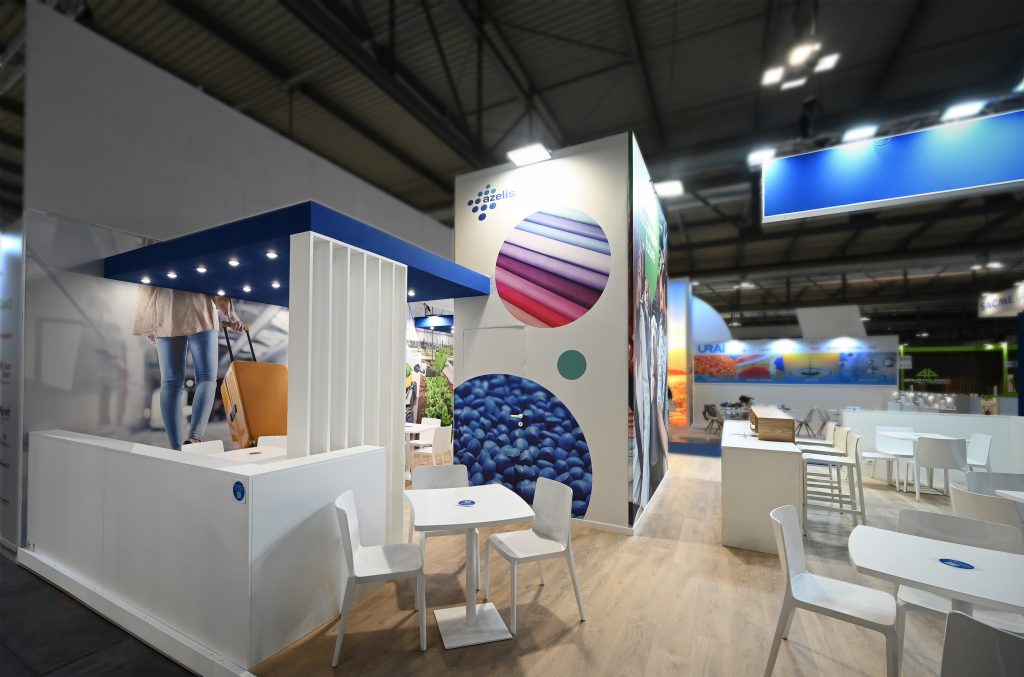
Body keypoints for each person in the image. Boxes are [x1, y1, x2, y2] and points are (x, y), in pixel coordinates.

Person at [133, 286, 242, 450]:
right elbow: (212, 281)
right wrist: (230, 313)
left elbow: (146, 288)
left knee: (170, 383)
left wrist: (148, 324)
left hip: (165, 315)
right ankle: (194, 437)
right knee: (206, 379)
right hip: (200, 311)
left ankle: (176, 448)